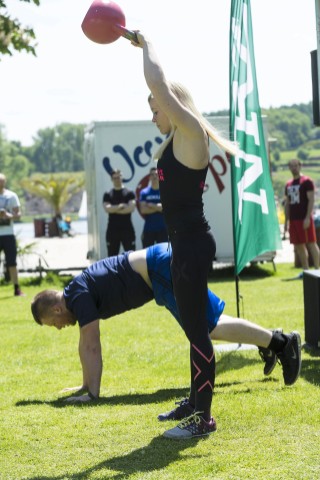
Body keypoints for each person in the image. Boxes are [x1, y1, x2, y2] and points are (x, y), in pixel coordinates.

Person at [30, 244, 301, 430]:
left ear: (56, 309)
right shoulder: (78, 292)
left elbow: (91, 345)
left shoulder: (77, 296)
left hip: (162, 268)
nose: (57, 327)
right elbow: (85, 344)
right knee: (210, 326)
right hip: (162, 266)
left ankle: (282, 344)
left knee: (207, 330)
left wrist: (91, 394)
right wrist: (83, 386)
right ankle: (277, 342)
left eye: (52, 323)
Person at [132, 33, 241, 438]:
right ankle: (195, 402)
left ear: (172, 104)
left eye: (155, 108)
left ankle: (204, 419)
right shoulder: (174, 142)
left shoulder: (191, 130)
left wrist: (146, 46)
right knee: (192, 328)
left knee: (199, 331)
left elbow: (158, 83)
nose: (153, 115)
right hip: (183, 245)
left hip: (193, 246)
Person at [284, 159, 320, 271]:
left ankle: (317, 269)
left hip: (304, 218)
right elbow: (287, 204)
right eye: (291, 166)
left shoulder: (307, 181)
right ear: (289, 167)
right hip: (293, 220)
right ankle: (306, 271)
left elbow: (311, 200)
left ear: (300, 166)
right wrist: (286, 221)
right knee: (298, 245)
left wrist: (307, 217)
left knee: (311, 243)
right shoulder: (288, 184)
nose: (294, 168)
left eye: (296, 165)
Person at [0, 173, 24, 296]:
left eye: (2, 181)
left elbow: (18, 215)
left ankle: (16, 288)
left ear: (5, 182)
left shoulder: (11, 196)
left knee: (12, 262)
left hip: (8, 234)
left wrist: (8, 216)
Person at [103, 169, 136, 256]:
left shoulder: (129, 193)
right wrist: (121, 206)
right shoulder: (107, 194)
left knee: (131, 257)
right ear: (112, 179)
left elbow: (131, 208)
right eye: (115, 178)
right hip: (112, 231)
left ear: (122, 178)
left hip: (127, 230)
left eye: (119, 177)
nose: (117, 179)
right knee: (111, 258)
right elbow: (107, 209)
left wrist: (114, 209)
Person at [139, 167, 167, 247]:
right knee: (146, 255)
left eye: (156, 174)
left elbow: (166, 209)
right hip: (148, 229)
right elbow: (143, 210)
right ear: (149, 177)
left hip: (163, 229)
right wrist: (159, 207)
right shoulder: (144, 192)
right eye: (152, 175)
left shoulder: (165, 191)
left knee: (163, 255)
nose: (154, 176)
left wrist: (152, 205)